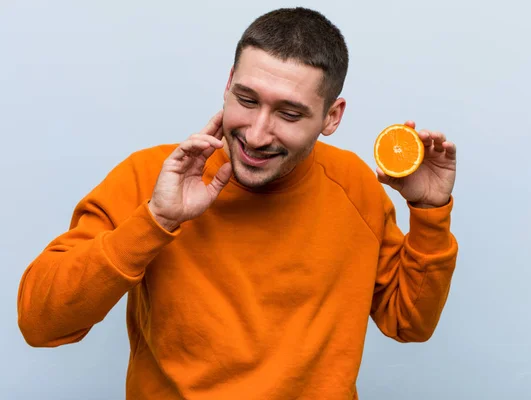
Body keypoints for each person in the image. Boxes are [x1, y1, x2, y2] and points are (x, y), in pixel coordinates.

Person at [17, 6, 458, 400]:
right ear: (227, 84)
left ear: (332, 117)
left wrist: (430, 214)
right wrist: (156, 220)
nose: (257, 133)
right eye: (246, 100)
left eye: (289, 114)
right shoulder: (148, 177)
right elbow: (40, 323)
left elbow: (408, 323)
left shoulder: (354, 185)